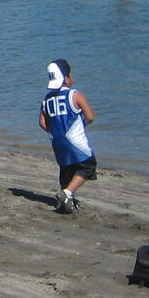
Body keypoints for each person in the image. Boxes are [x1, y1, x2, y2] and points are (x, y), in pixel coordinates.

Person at [39, 59, 97, 214]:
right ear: (66, 78)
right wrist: (80, 126)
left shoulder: (47, 99)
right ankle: (67, 193)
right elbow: (90, 116)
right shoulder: (75, 95)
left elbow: (42, 123)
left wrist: (55, 131)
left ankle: (67, 201)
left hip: (57, 141)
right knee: (88, 166)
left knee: (66, 168)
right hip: (74, 140)